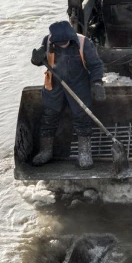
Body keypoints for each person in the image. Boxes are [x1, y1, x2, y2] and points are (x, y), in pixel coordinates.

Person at [30, 21, 105, 169]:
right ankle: (46, 151)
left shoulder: (83, 42)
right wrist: (36, 59)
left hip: (78, 84)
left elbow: (96, 65)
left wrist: (96, 83)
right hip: (55, 83)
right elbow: (40, 60)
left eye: (66, 42)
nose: (63, 45)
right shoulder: (48, 41)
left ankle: (84, 153)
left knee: (81, 116)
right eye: (60, 43)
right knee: (49, 116)